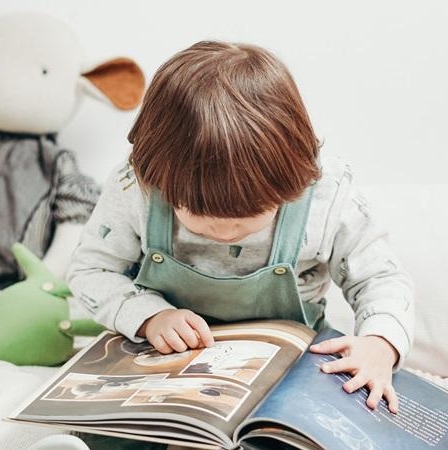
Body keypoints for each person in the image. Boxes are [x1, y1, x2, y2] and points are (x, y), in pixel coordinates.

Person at [66, 40, 415, 450]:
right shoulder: (135, 187)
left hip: (288, 369)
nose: (226, 232)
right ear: (154, 176)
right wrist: (149, 317)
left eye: (248, 217)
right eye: (198, 215)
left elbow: (382, 277)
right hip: (168, 363)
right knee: (116, 437)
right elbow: (91, 270)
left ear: (296, 178)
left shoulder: (327, 195)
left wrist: (379, 344)